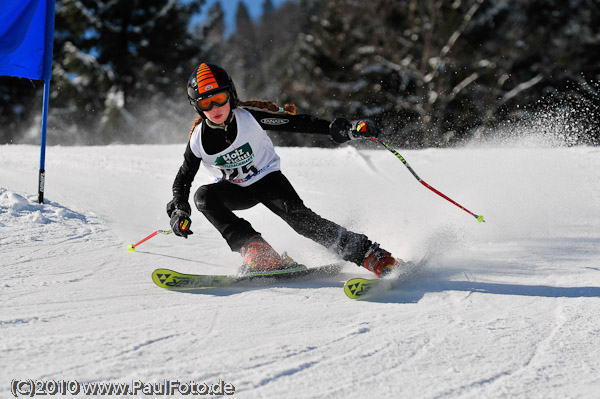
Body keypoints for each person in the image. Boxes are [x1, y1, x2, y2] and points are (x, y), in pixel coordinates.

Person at [167, 62, 404, 278]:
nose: (215, 107)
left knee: (301, 222)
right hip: (236, 190)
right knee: (204, 197)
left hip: (268, 181)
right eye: (206, 103)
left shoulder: (249, 118)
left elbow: (297, 122)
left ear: (231, 95)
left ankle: (370, 254)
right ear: (197, 108)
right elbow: (183, 178)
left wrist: (344, 129)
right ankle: (257, 251)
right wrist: (179, 209)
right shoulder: (199, 140)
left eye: (219, 97)